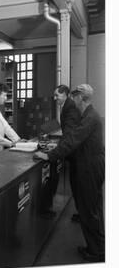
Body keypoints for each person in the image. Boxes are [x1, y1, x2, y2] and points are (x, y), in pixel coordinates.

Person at [35, 84, 105, 262]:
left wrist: (49, 155)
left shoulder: (89, 117)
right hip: (91, 164)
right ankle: (98, 246)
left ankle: (96, 251)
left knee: (89, 210)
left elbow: (73, 139)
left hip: (89, 166)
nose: (73, 100)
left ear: (81, 97)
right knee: (92, 207)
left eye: (75, 97)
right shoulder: (89, 114)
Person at [53, 85, 81, 221]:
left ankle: (83, 215)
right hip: (74, 151)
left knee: (78, 184)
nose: (55, 98)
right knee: (75, 184)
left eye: (57, 95)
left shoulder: (70, 107)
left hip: (76, 153)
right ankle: (81, 213)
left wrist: (54, 152)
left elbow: (69, 134)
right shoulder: (66, 105)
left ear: (65, 94)